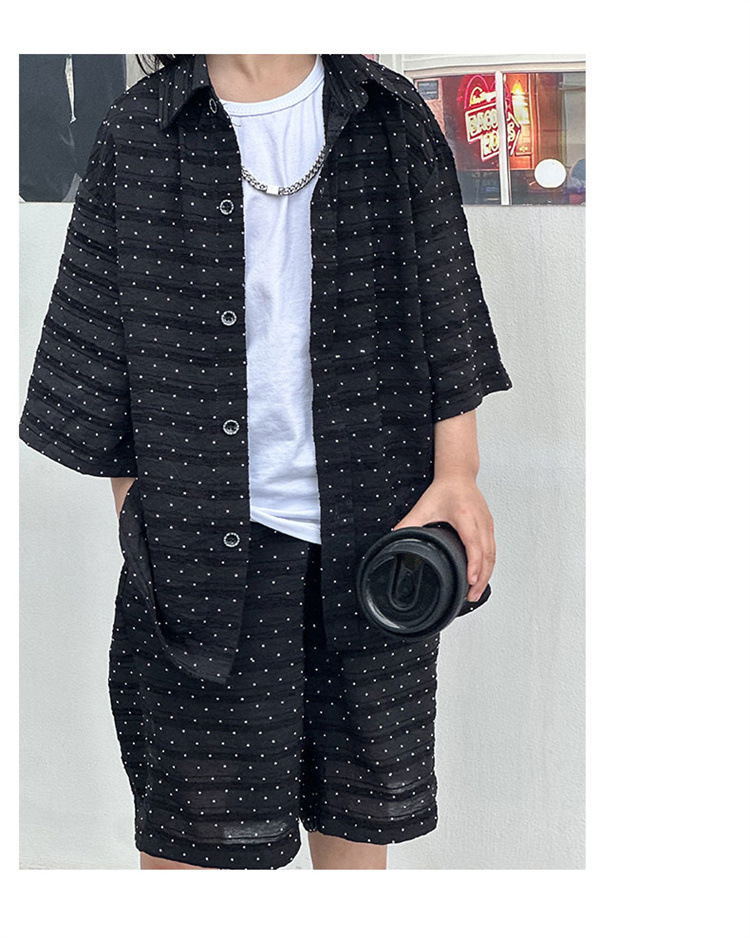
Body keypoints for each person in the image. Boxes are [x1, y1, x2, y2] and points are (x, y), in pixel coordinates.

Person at [19, 53, 513, 870]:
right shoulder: (140, 129)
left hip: (378, 535)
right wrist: (145, 523)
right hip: (203, 558)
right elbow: (97, 356)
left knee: (356, 828)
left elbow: (446, 304)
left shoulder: (388, 116)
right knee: (191, 841)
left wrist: (458, 473)